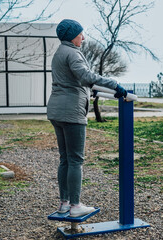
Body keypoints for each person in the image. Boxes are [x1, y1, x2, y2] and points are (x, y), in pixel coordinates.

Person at [47, 19, 127, 217]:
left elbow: (73, 80)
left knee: (65, 159)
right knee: (75, 160)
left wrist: (90, 91)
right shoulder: (73, 53)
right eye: (81, 34)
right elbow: (85, 76)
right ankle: (75, 206)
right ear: (72, 35)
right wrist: (114, 85)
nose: (83, 37)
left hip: (57, 110)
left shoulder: (59, 53)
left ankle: (64, 203)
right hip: (71, 112)